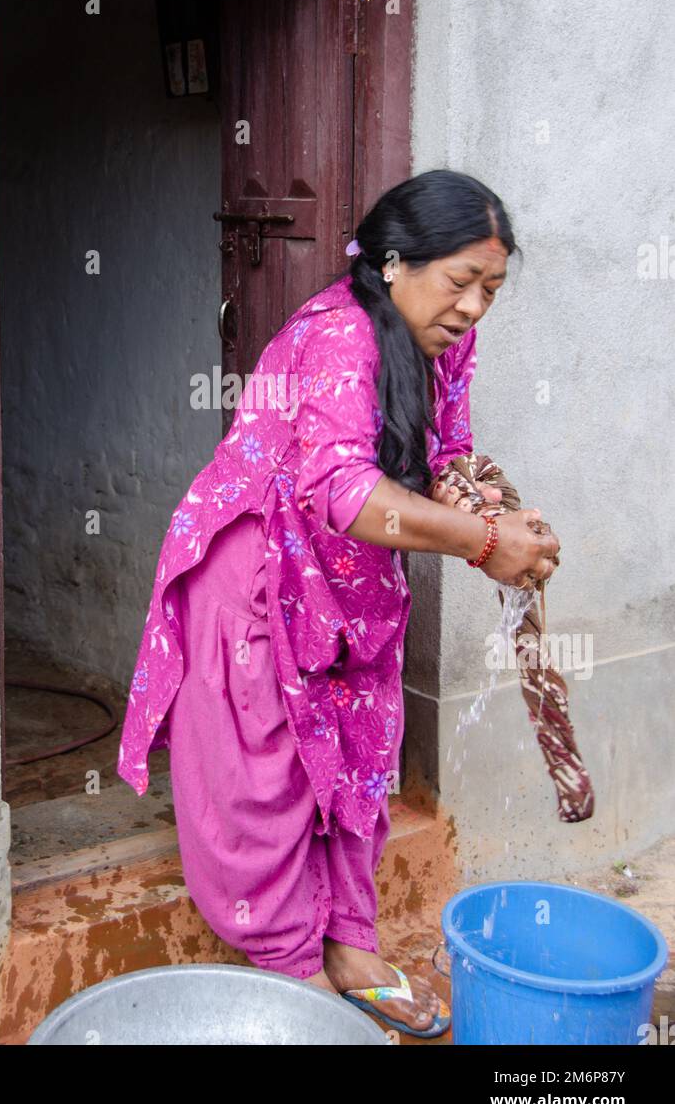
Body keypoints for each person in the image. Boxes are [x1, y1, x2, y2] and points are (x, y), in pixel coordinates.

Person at [117, 168, 560, 1036]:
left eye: (491, 290)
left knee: (360, 750)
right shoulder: (337, 338)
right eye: (460, 282)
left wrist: (496, 516)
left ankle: (351, 942)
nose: (473, 308)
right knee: (268, 778)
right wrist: (478, 544)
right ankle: (288, 966)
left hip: (351, 582)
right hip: (258, 579)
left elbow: (447, 452)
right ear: (395, 264)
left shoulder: (441, 343)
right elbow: (343, 491)